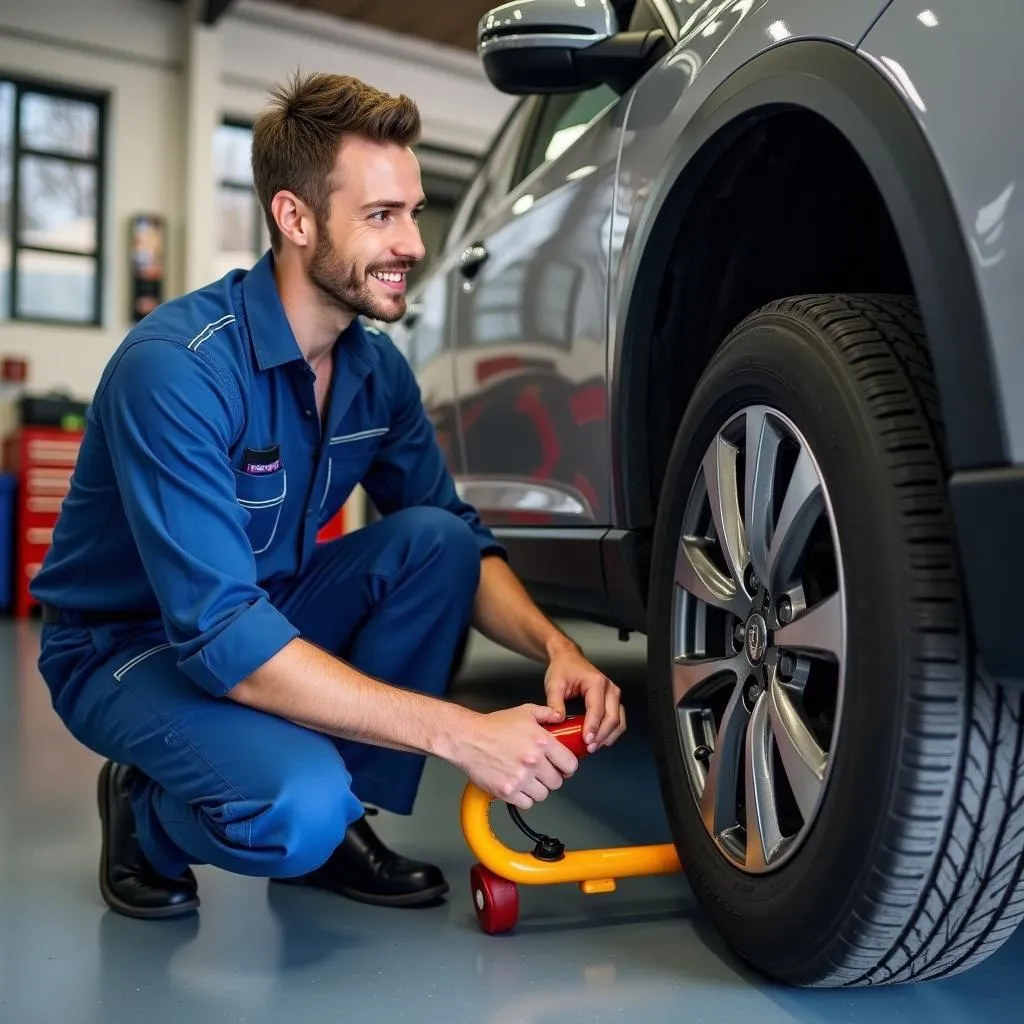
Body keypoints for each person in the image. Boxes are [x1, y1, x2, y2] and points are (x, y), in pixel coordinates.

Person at [30, 71, 626, 921]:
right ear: (295, 218)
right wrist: (463, 732)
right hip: (126, 643)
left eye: (414, 212)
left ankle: (341, 817)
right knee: (293, 810)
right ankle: (147, 812)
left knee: (437, 543)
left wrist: (555, 648)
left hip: (259, 608)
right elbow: (224, 633)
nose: (414, 244)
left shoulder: (375, 370)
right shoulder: (179, 369)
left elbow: (455, 532)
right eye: (381, 216)